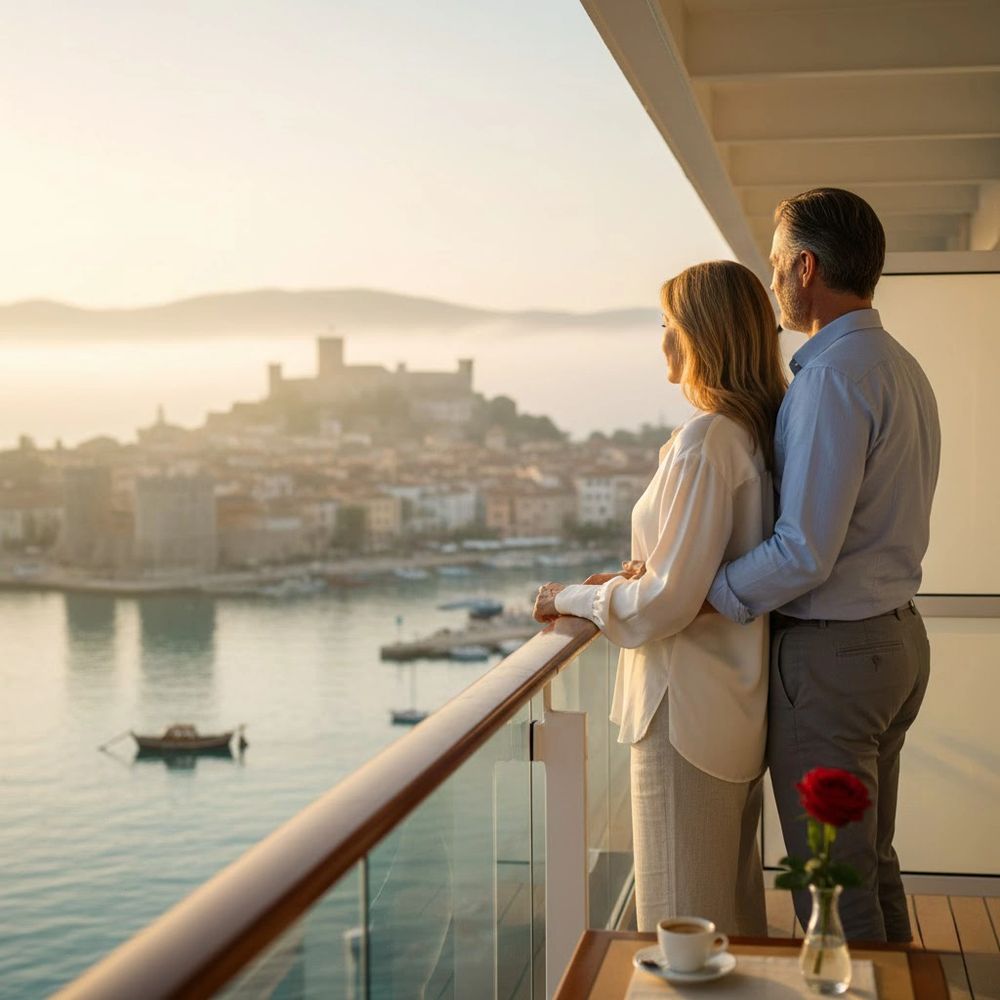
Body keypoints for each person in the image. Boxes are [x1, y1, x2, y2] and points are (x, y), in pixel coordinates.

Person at [706, 188, 941, 942]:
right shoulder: (898, 365)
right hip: (895, 641)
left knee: (832, 884)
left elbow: (804, 549)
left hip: (836, 659)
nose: (772, 279)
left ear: (806, 267)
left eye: (776, 263)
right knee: (867, 862)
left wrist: (699, 593)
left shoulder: (833, 378)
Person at [533, 260, 787, 935]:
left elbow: (666, 603)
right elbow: (692, 571)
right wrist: (638, 578)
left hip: (684, 712)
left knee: (679, 926)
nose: (662, 341)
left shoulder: (708, 441)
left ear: (704, 336)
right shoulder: (748, 436)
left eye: (670, 326)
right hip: (728, 706)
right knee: (729, 919)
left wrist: (573, 600)